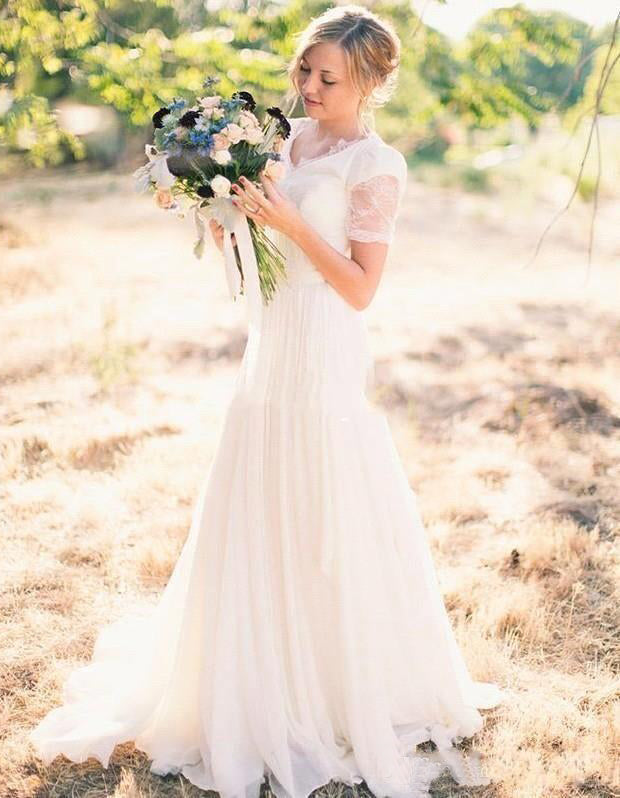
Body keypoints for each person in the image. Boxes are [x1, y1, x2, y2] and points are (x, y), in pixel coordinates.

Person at [29, 5, 506, 797]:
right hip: (275, 339)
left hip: (325, 345)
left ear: (370, 83)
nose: (309, 87)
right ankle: (253, 670)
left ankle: (335, 679)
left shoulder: (376, 164)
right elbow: (258, 268)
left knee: (328, 493)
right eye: (304, 71)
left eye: (328, 78)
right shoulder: (281, 141)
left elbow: (360, 288)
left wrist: (288, 220)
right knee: (259, 486)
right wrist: (229, 226)